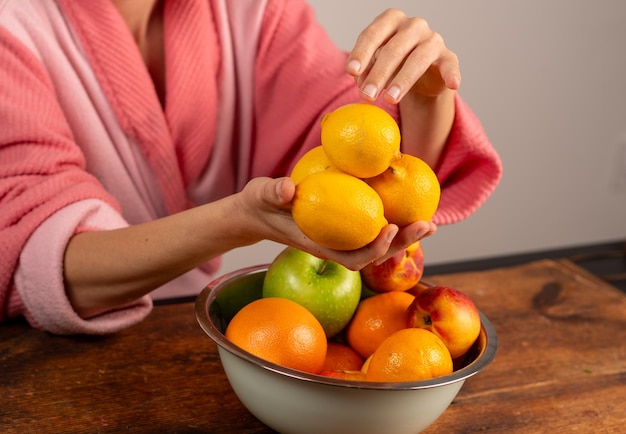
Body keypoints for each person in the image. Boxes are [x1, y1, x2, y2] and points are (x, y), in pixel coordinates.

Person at [0, 0, 502, 334]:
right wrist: (236, 220)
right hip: (44, 364)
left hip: (209, 335)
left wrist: (423, 99)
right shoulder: (12, 24)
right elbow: (36, 258)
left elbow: (357, 160)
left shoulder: (251, 8)